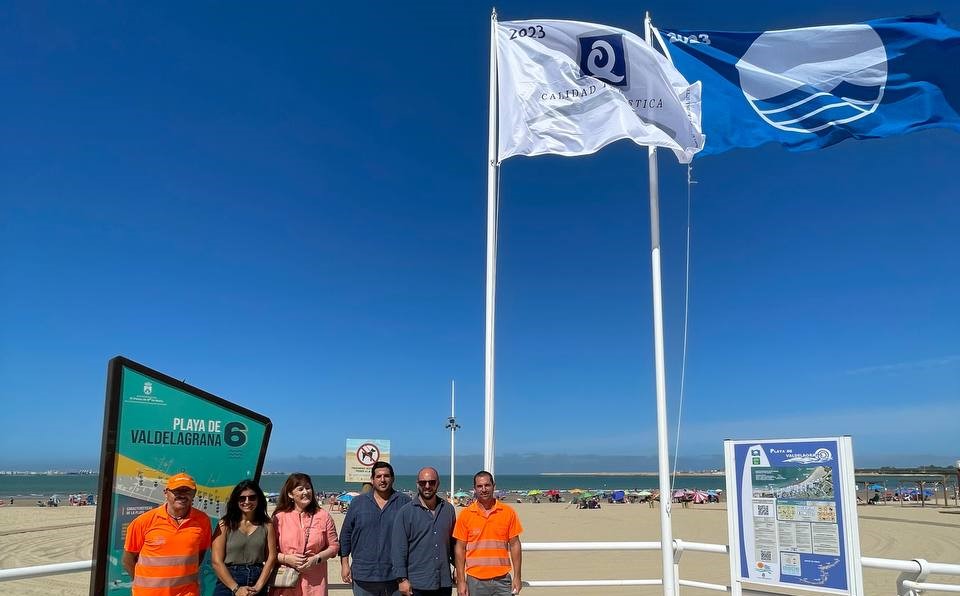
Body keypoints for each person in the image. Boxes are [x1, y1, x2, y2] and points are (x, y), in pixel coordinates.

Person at [122, 472, 212, 596]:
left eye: (187, 491)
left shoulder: (203, 521)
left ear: (194, 495)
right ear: (166, 493)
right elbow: (128, 560)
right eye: (177, 491)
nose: (182, 495)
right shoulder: (143, 521)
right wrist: (143, 583)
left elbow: (200, 554)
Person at [340, 461, 412, 596]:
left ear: (393, 478)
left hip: (395, 577)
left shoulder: (405, 502)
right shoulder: (358, 503)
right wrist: (344, 564)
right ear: (372, 480)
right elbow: (346, 535)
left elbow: (413, 537)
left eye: (386, 476)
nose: (383, 480)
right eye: (378, 476)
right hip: (363, 576)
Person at [453, 471, 523, 596]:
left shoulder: (508, 512)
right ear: (474, 489)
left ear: (493, 486)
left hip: (502, 579)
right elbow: (460, 548)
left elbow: (515, 545)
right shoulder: (465, 515)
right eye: (479, 486)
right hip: (475, 580)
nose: (484, 489)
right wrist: (461, 581)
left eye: (487, 485)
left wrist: (517, 576)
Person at [391, 467, 456, 596]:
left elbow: (454, 544)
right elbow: (398, 549)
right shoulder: (406, 512)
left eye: (431, 482)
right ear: (417, 484)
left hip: (443, 582)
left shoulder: (448, 510)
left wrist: (457, 569)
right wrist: (402, 579)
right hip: (416, 584)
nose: (427, 486)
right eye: (423, 482)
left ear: (438, 483)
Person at [272, 473, 340, 596]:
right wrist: (287, 558)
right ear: (290, 494)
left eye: (308, 488)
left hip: (315, 581)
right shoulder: (279, 517)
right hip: (286, 581)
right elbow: (268, 551)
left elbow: (334, 547)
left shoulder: (323, 516)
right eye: (300, 489)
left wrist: (316, 559)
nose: (306, 492)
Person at [211, 479, 278, 596]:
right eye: (242, 498)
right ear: (236, 500)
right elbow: (217, 561)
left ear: (259, 499)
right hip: (229, 581)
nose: (247, 501)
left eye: (252, 497)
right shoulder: (225, 524)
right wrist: (236, 589)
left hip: (256, 580)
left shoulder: (267, 524)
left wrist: (258, 586)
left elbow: (271, 557)